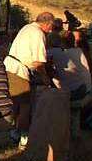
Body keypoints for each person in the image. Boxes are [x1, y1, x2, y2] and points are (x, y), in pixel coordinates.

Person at [3, 11, 54, 149]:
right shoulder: (38, 33)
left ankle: (11, 133)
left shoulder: (27, 28)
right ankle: (23, 137)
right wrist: (46, 79)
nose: (51, 30)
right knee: (25, 105)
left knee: (14, 103)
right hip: (19, 70)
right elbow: (38, 62)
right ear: (47, 23)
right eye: (51, 26)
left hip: (10, 67)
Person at [61, 31, 92, 99]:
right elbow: (87, 67)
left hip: (76, 89)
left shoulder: (62, 54)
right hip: (86, 86)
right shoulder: (79, 51)